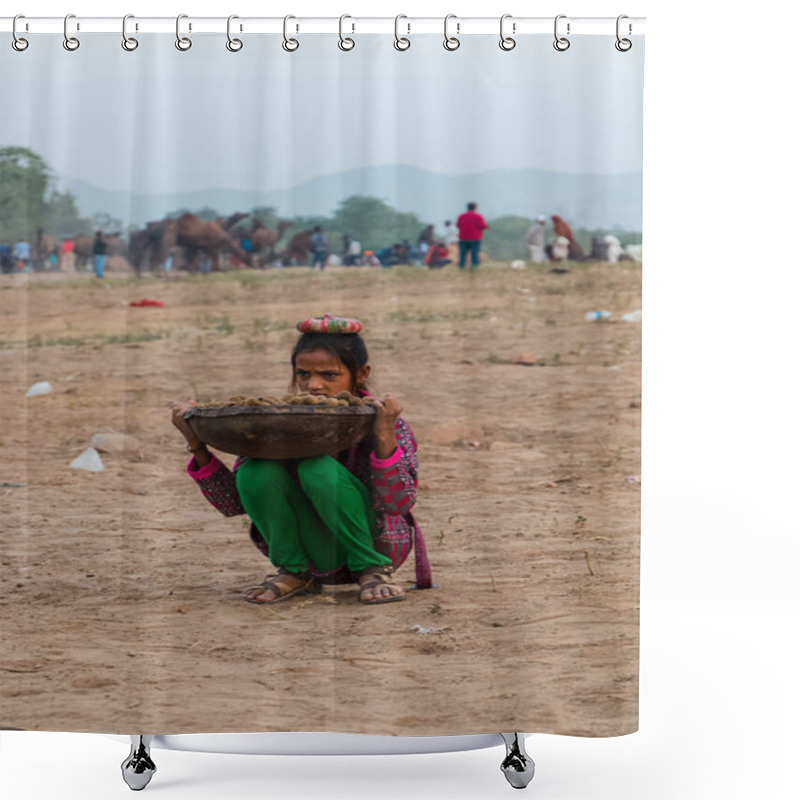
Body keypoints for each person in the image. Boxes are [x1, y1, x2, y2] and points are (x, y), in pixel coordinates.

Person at [170, 313, 431, 606]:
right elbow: (233, 503)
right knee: (256, 469)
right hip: (311, 550)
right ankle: (294, 571)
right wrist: (196, 442)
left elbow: (398, 504)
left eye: (329, 375)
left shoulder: (386, 420)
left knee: (316, 468)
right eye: (303, 374)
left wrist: (384, 436)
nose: (313, 386)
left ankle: (371, 569)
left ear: (361, 373)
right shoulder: (283, 421)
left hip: (375, 542)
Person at [456, 202, 489, 270]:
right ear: (475, 208)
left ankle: (461, 267)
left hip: (463, 238)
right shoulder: (478, 216)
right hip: (475, 238)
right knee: (474, 253)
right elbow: (482, 226)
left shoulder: (461, 216)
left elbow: (458, 225)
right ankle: (474, 267)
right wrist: (487, 226)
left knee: (463, 254)